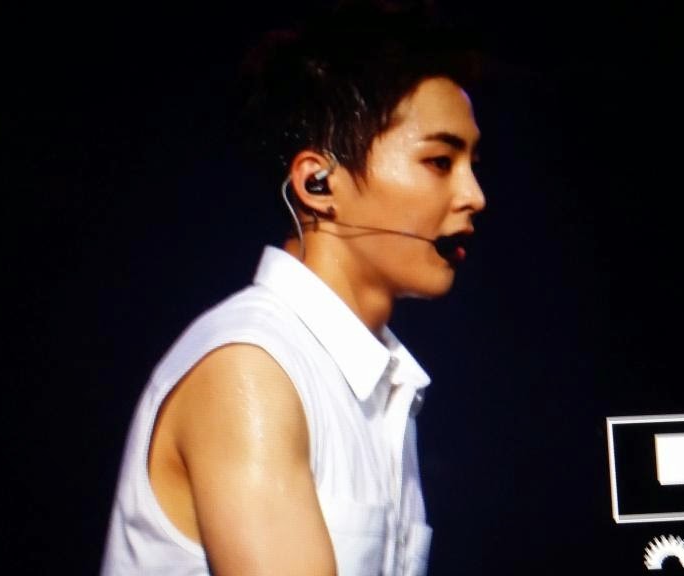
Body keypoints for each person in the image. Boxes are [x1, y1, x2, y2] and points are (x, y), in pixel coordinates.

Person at [101, 3, 485, 575]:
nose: (474, 195)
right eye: (440, 161)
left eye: (473, 163)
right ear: (318, 182)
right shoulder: (252, 368)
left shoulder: (383, 384)